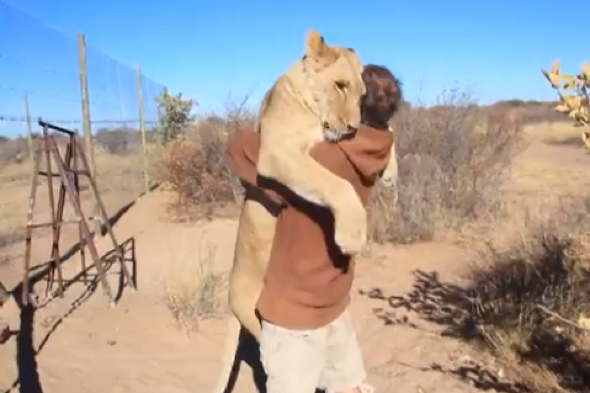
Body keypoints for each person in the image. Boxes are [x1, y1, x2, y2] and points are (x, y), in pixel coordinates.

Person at [225, 64, 403, 393]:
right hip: (334, 294)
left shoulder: (318, 160)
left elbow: (240, 148)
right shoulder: (379, 145)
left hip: (295, 308)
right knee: (350, 384)